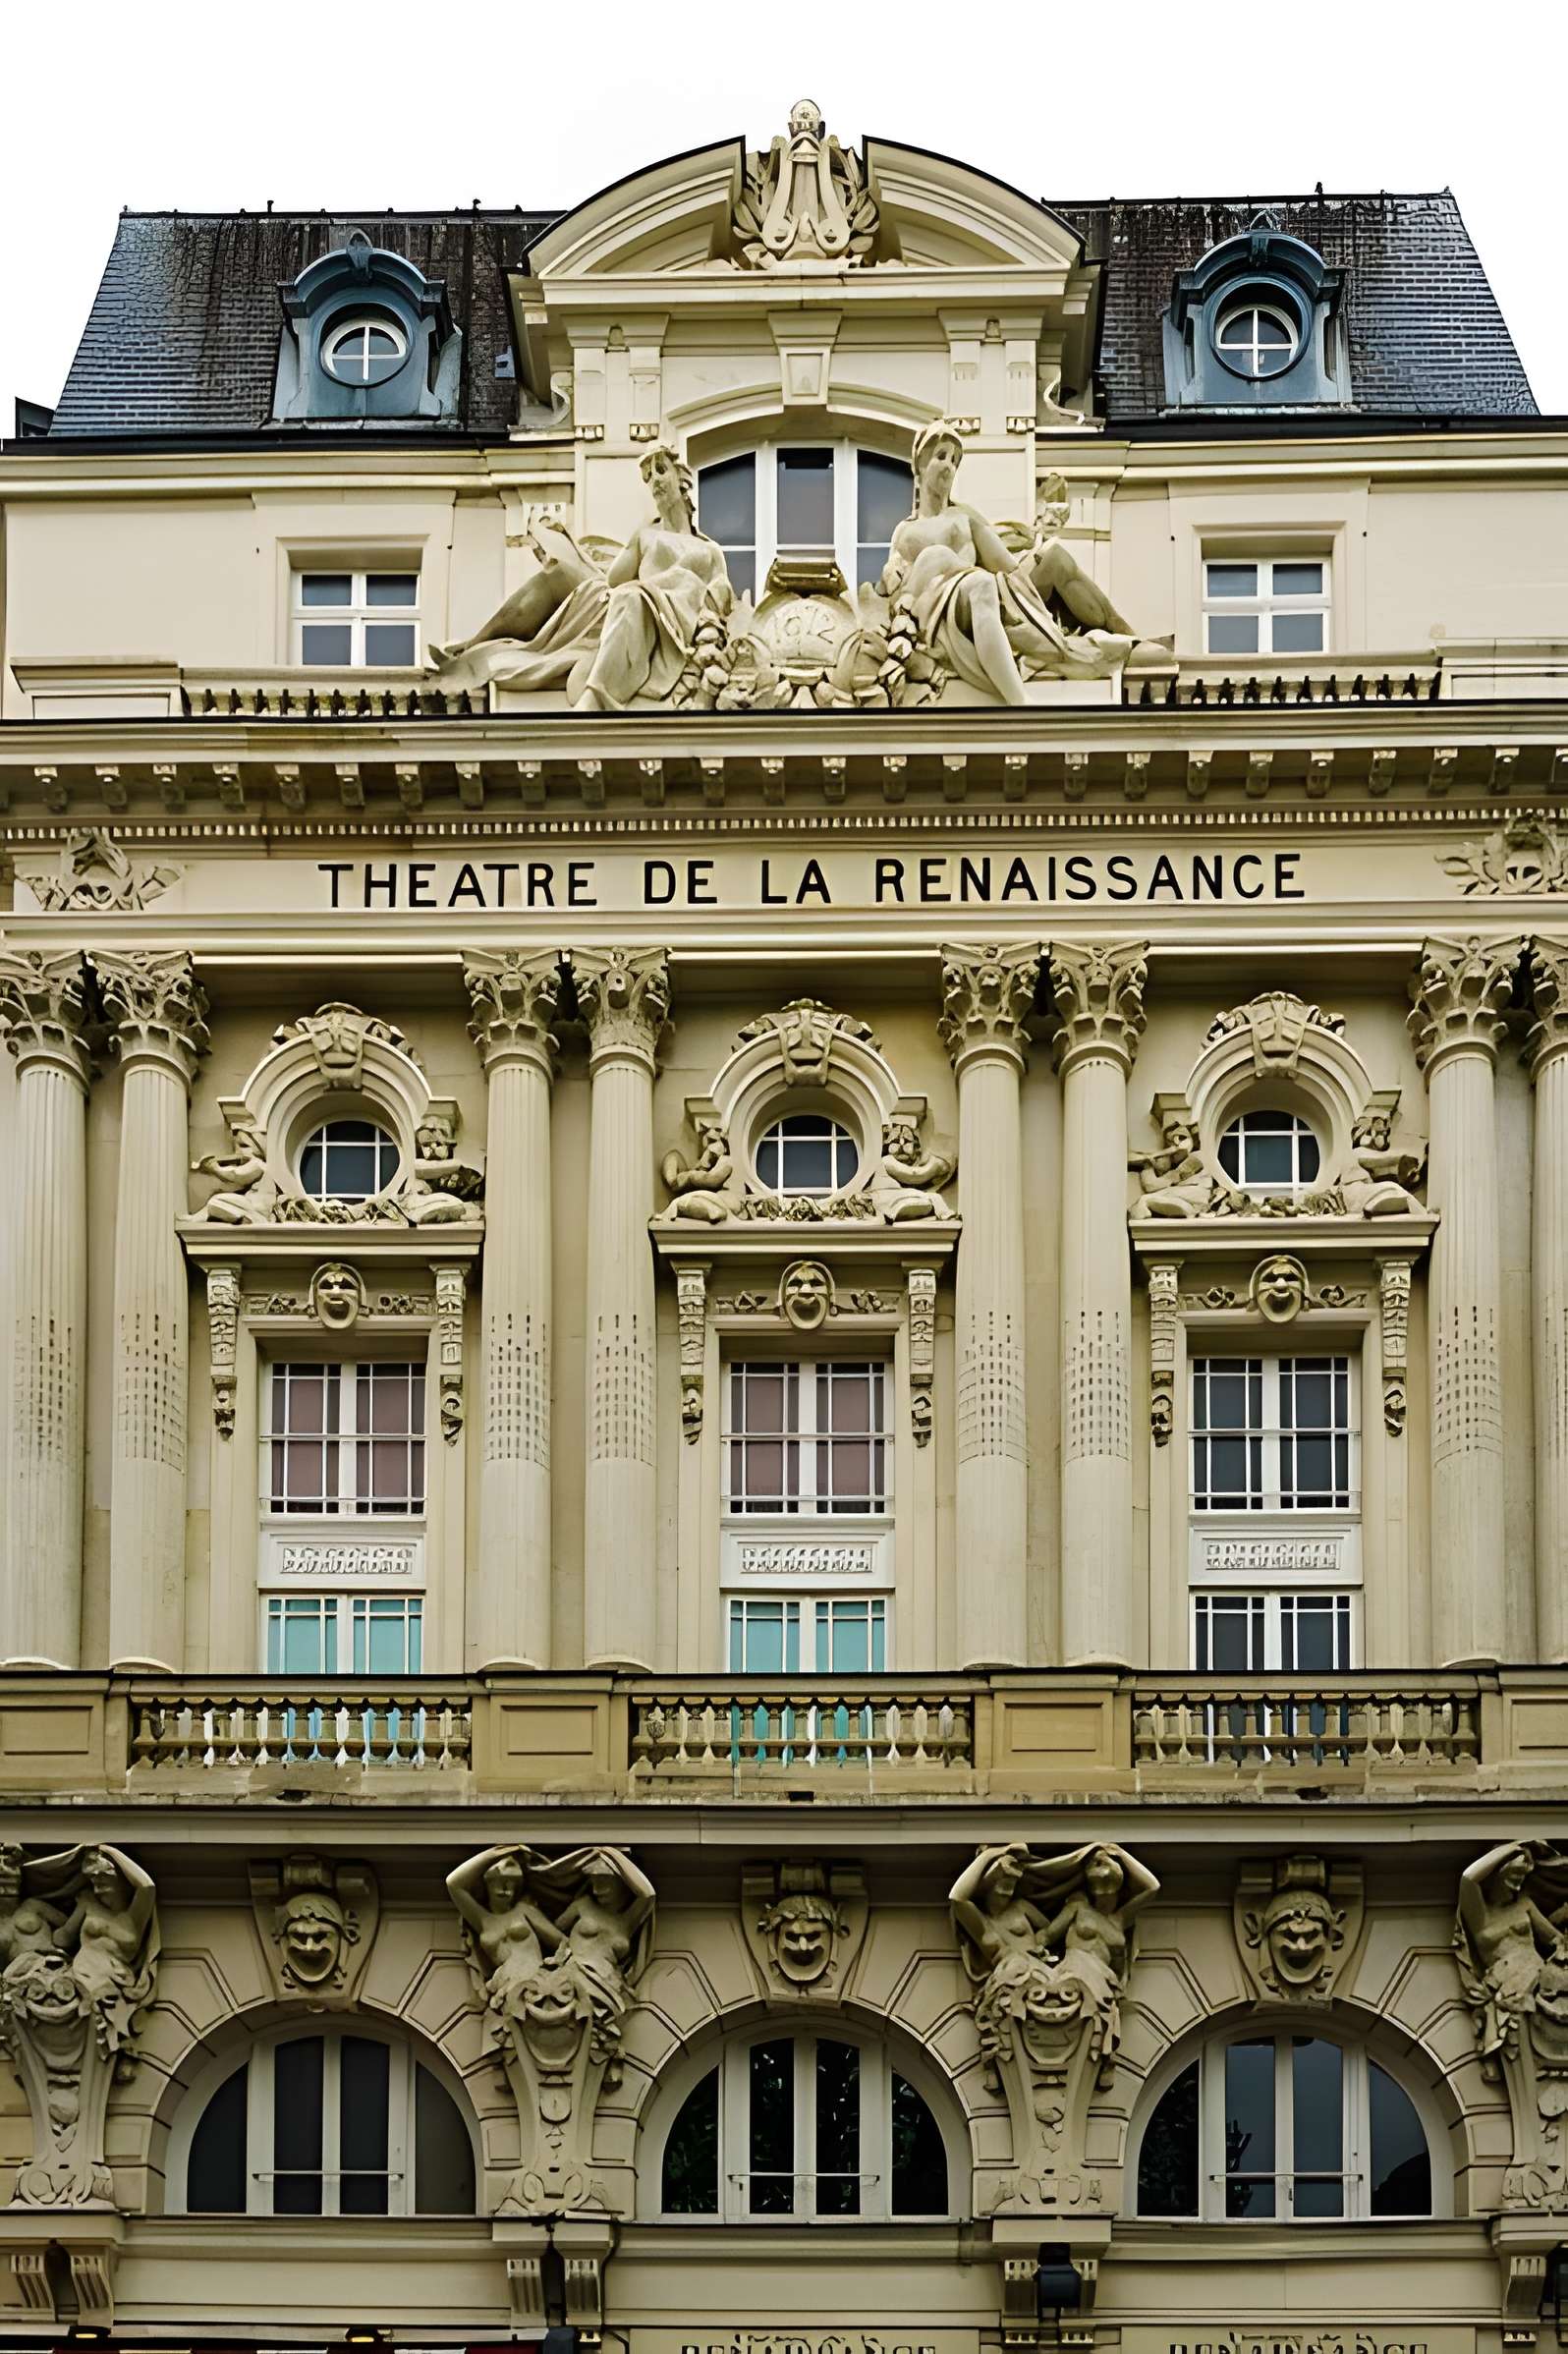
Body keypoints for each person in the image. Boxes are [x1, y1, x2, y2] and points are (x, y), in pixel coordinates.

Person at [877, 420, 1137, 704]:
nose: (949, 467)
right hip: (942, 610)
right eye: (941, 457)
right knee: (979, 583)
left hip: (982, 591)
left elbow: (1007, 566)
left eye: (954, 460)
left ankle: (1123, 631)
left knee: (1053, 556)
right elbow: (897, 593)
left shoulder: (964, 515)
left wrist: (1039, 539)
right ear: (921, 465)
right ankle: (1020, 701)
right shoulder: (906, 531)